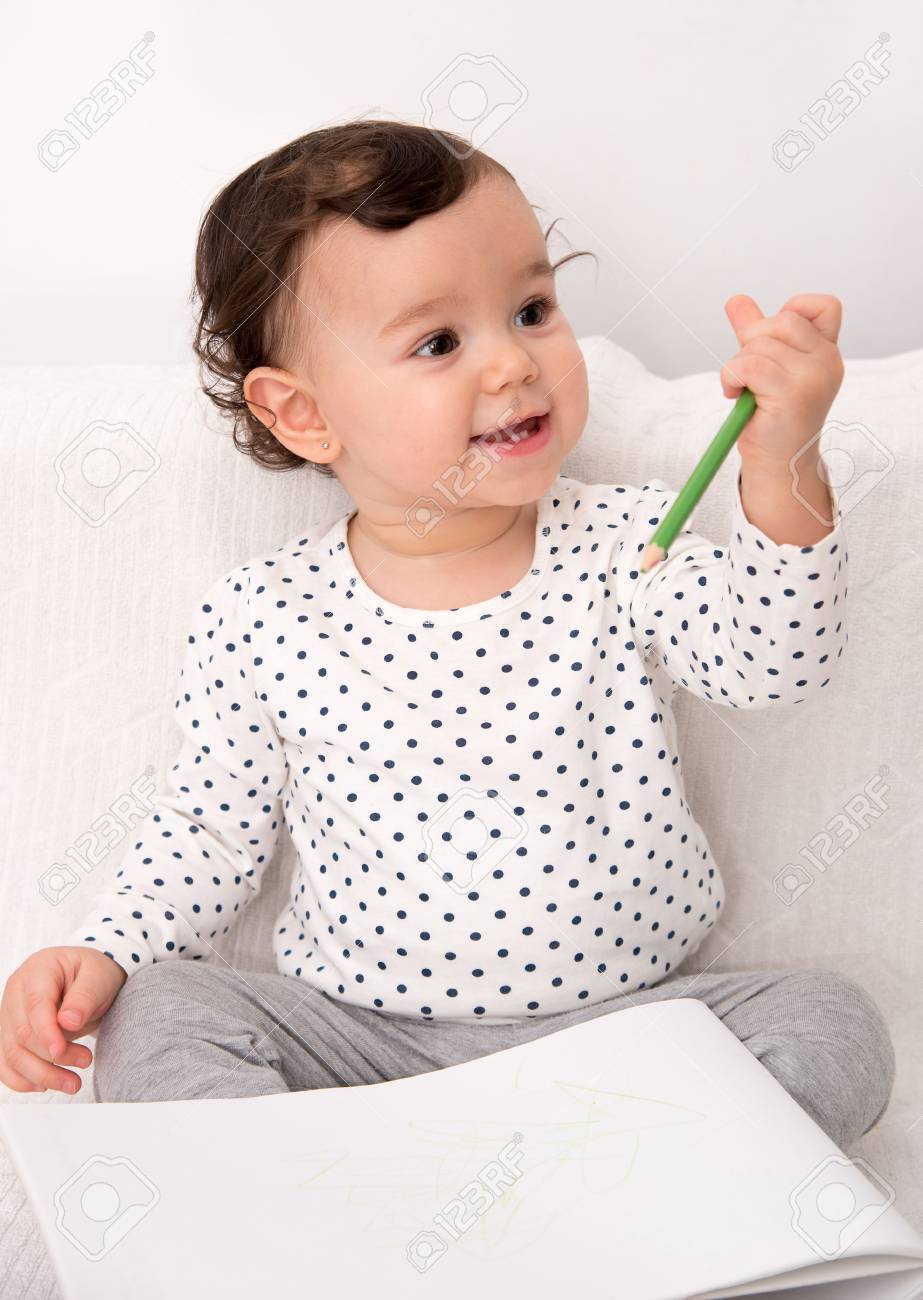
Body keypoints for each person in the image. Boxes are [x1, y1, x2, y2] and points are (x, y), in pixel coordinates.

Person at [0, 119, 894, 1156]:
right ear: (301, 414)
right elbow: (207, 832)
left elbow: (772, 661)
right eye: (438, 342)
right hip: (361, 1049)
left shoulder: (623, 542)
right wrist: (105, 951)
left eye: (530, 307)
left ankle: (602, 1178)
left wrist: (781, 459)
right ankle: (349, 1187)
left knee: (833, 1025)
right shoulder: (262, 617)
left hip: (631, 1037)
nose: (514, 362)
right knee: (158, 1017)